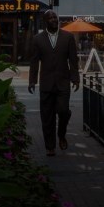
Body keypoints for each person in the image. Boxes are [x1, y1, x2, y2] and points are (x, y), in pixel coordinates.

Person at [27, 9, 80, 157]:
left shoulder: (68, 37)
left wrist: (75, 78)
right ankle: (50, 146)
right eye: (50, 18)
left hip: (63, 82)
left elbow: (73, 60)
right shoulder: (38, 39)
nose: (54, 20)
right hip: (46, 83)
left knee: (63, 111)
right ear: (45, 21)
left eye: (55, 17)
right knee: (47, 117)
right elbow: (34, 62)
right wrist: (32, 81)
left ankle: (61, 134)